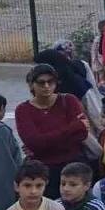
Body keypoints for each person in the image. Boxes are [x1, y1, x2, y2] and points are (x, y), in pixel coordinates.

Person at [15, 65, 90, 199]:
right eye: (41, 82)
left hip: (73, 166)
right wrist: (72, 128)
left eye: (51, 82)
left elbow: (82, 134)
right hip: (43, 171)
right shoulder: (23, 110)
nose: (47, 86)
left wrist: (44, 143)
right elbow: (33, 142)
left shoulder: (69, 100)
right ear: (32, 85)